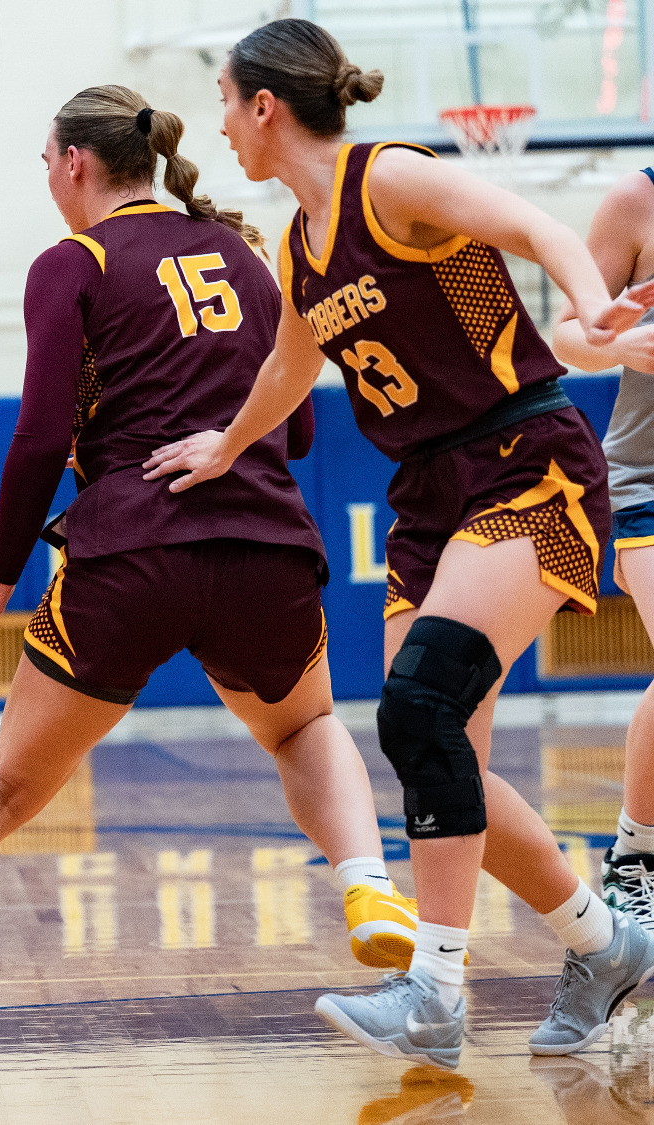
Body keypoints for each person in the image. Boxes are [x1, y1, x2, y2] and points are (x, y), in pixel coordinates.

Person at [0, 85, 414, 1052]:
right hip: (264, 542)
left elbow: (37, 436)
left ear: (77, 162)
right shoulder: (242, 250)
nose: (46, 179)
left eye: (45, 162)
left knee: (1, 788)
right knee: (306, 726)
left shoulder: (73, 262)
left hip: (129, 549)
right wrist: (219, 429)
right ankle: (368, 886)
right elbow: (306, 421)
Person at [142, 18, 654, 1069]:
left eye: (227, 105)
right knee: (437, 744)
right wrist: (225, 442)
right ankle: (603, 945)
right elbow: (289, 369)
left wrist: (596, 310)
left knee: (419, 704)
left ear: (262, 107)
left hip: (523, 460)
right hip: (426, 497)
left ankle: (433, 990)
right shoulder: (299, 242)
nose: (224, 132)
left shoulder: (392, 180)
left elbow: (533, 229)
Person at [551, 168, 654, 931]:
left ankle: (633, 853)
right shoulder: (635, 201)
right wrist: (616, 336)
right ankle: (637, 857)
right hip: (648, 477)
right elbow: (563, 334)